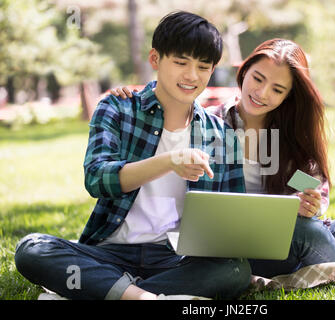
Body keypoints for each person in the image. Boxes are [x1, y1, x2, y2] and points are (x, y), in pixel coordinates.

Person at [112, 38, 335, 279]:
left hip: (292, 237)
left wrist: (310, 201)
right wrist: (133, 98)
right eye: (257, 78)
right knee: (307, 234)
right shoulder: (209, 123)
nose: (261, 93)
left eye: (276, 89)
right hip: (236, 248)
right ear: (244, 71)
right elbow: (167, 103)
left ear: (288, 96)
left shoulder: (290, 139)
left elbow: (312, 189)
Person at [14, 11, 251, 300]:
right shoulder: (117, 108)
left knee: (236, 269)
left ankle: (114, 291)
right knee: (32, 248)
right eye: (180, 62)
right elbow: (97, 179)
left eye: (203, 67)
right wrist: (169, 161)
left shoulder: (221, 134)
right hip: (109, 252)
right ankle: (142, 296)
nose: (192, 76)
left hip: (176, 258)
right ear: (155, 59)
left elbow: (233, 214)